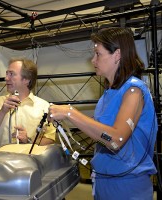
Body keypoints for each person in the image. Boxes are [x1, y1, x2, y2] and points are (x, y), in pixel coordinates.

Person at [48, 27, 157, 200]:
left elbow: (115, 140)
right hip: (104, 183)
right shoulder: (109, 94)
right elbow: (101, 132)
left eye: (98, 54)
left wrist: (70, 113)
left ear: (117, 54)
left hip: (127, 188)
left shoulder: (134, 91)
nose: (93, 60)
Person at [0, 58, 56, 150]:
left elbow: (50, 139)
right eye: (7, 74)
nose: (6, 78)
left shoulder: (44, 107)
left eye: (11, 74)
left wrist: (29, 141)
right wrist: (2, 112)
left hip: (29, 163)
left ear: (26, 79)